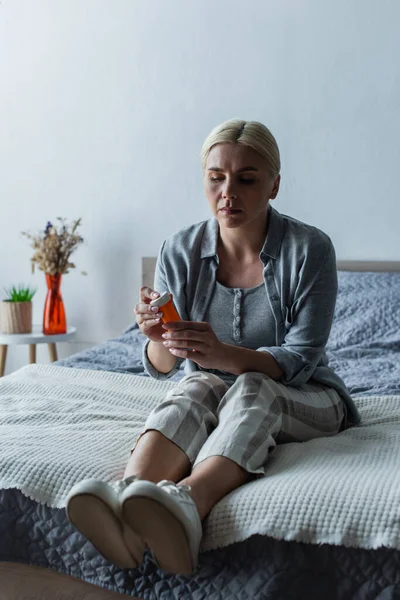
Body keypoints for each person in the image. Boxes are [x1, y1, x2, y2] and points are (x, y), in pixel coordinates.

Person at [66, 118, 361, 576]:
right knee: (193, 388)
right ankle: (126, 499)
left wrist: (224, 354)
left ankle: (188, 504)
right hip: (212, 384)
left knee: (250, 388)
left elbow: (301, 360)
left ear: (274, 186)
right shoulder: (179, 249)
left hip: (310, 394)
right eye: (216, 178)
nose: (229, 192)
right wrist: (157, 338)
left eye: (247, 179)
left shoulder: (311, 250)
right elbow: (166, 367)